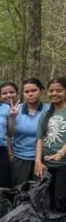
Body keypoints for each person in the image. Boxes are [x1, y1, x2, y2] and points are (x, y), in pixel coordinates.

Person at [9, 78, 48, 185]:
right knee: (19, 191)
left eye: (34, 90)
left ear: (41, 91)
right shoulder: (15, 109)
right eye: (27, 92)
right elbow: (9, 134)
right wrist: (12, 117)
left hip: (43, 159)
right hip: (20, 158)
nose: (30, 94)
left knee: (39, 191)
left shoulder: (49, 110)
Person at [35, 77, 66, 211]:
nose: (54, 93)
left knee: (61, 201)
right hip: (47, 165)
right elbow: (40, 139)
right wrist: (37, 161)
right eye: (51, 90)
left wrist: (60, 153)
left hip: (63, 165)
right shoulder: (45, 114)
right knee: (47, 202)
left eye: (59, 90)